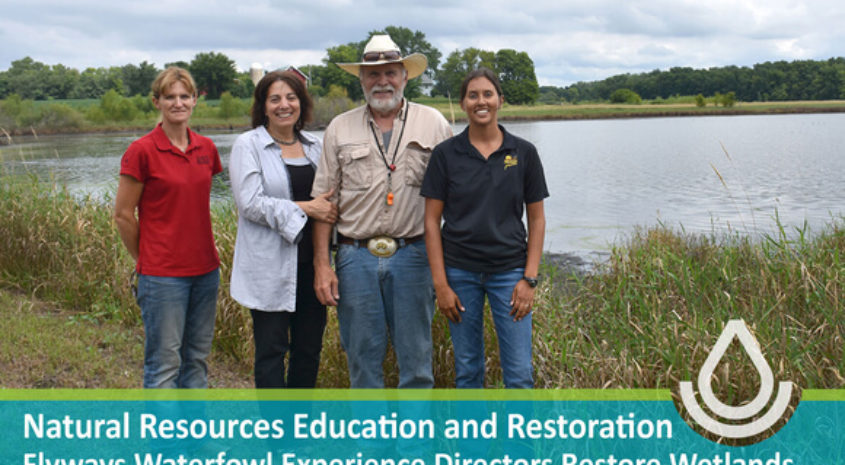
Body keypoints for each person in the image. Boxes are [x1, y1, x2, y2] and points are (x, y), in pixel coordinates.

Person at [311, 34, 452, 388]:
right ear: (361, 80)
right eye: (373, 74)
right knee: (361, 358)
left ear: (405, 76)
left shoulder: (434, 123)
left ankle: (413, 445)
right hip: (354, 257)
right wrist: (322, 265)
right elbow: (324, 205)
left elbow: (457, 193)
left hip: (415, 255)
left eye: (390, 72)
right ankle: (371, 444)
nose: (382, 81)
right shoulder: (339, 128)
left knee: (417, 360)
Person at [421, 68, 549, 388]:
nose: (481, 101)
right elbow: (430, 222)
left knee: (519, 373)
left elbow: (537, 219)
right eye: (473, 95)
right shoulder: (445, 155)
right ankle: (472, 440)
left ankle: (520, 441)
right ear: (463, 103)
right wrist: (441, 285)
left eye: (488, 94)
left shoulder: (524, 153)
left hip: (510, 273)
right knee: (467, 370)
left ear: (500, 101)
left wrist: (529, 278)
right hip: (460, 275)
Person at [114, 67, 222, 389]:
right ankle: (166, 442)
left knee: (197, 358)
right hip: (162, 276)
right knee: (164, 364)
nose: (178, 103)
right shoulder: (142, 151)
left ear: (195, 101)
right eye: (170, 97)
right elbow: (122, 214)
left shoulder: (207, 149)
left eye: (184, 96)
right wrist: (146, 259)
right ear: (156, 102)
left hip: (206, 270)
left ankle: (195, 438)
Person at [229, 70, 337, 388]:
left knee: (308, 349)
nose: (283, 105)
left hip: (313, 265)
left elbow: (330, 200)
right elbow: (249, 203)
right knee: (271, 351)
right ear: (263, 106)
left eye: (291, 98)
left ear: (301, 104)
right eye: (274, 99)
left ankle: (298, 430)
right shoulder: (248, 145)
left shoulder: (316, 147)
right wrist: (306, 208)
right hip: (269, 266)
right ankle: (278, 434)